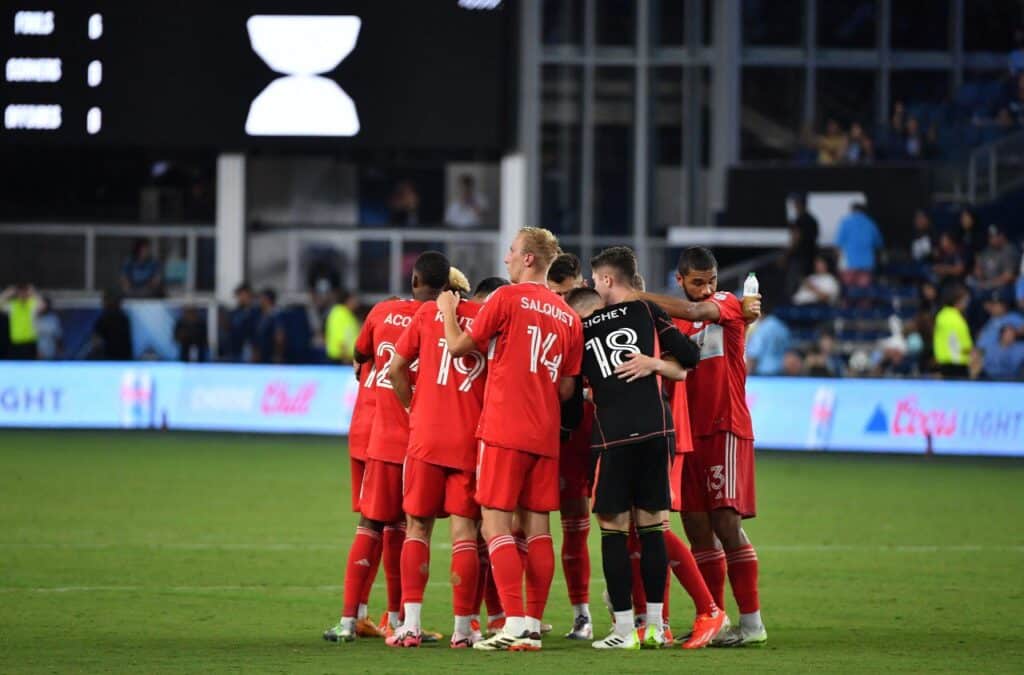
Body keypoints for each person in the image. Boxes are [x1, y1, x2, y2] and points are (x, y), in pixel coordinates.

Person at [437, 227, 582, 651]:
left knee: (494, 522)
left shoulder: (506, 298)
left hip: (504, 426)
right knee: (538, 528)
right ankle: (533, 623)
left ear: (530, 259)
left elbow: (461, 346)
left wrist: (448, 310)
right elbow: (567, 389)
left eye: (513, 252)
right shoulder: (568, 315)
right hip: (545, 432)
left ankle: (514, 622)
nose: (507, 259)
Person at [573, 248, 726, 651]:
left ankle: (624, 631)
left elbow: (571, 393)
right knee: (654, 528)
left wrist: (589, 397)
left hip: (612, 437)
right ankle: (657, 627)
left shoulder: (582, 329)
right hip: (659, 432)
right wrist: (654, 364)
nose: (592, 285)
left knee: (612, 533)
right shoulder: (647, 312)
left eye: (594, 278)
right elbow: (691, 357)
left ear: (607, 280)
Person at [637, 246, 766, 648]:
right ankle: (715, 617)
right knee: (696, 526)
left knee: (727, 523)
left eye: (711, 280)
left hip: (725, 425)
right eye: (697, 282)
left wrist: (634, 295)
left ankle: (752, 623)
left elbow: (696, 313)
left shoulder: (725, 303)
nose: (706, 288)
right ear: (680, 280)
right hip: (688, 434)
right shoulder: (670, 319)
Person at [324, 251, 451, 644]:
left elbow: (361, 358)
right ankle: (399, 619)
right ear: (446, 289)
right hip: (423, 441)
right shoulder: (447, 323)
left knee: (372, 524)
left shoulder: (382, 312)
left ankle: (350, 619)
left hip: (380, 438)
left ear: (414, 281)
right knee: (410, 529)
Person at [384, 263, 488, 648]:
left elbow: (395, 369)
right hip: (468, 441)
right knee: (465, 534)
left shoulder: (427, 314)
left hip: (425, 437)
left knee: (417, 528)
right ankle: (463, 630)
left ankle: (409, 625)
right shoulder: (486, 318)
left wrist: (413, 408)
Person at [544, 251, 594, 638]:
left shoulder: (599, 315)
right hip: (554, 431)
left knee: (622, 523)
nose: (559, 302)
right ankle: (532, 615)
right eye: (554, 294)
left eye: (565, 293)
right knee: (542, 523)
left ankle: (641, 616)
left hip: (598, 431)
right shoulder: (542, 319)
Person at [835, 203, 883, 288]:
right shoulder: (870, 223)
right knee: (864, 292)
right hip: (867, 263)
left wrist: (838, 260)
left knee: (848, 291)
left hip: (849, 263)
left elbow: (838, 244)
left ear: (852, 210)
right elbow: (878, 244)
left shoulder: (846, 222)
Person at [972, 224, 1019, 305]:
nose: (992, 239)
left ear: (1002, 236)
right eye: (990, 237)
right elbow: (979, 266)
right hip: (988, 287)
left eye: (995, 236)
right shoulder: (988, 250)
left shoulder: (1009, 250)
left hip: (1005, 288)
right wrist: (978, 271)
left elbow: (1008, 276)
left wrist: (988, 284)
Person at [784, 193, 820, 297]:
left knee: (794, 284)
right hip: (810, 258)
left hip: (799, 258)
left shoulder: (800, 220)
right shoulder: (813, 220)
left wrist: (786, 255)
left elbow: (796, 238)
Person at [933, 284, 973, 378]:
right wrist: (972, 352)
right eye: (965, 300)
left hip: (944, 362)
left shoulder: (942, 315)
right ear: (958, 300)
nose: (966, 303)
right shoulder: (955, 319)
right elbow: (961, 345)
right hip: (956, 364)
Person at [745, 306, 791, 376]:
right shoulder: (781, 326)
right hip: (781, 370)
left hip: (763, 373)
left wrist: (746, 375)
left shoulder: (762, 328)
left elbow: (754, 355)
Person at [0, 284, 42, 359]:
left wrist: (33, 292)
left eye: (25, 292)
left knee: (31, 367)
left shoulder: (31, 304)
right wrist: (7, 293)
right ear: (17, 294)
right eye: (20, 292)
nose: (22, 295)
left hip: (30, 342)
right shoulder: (13, 305)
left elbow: (42, 306)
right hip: (16, 342)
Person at [91, 290, 133, 360]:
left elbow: (96, 342)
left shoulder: (104, 319)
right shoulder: (124, 318)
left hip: (110, 359)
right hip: (124, 358)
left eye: (103, 300)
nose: (102, 303)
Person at [225, 282, 259, 362]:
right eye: (238, 295)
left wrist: (256, 351)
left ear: (249, 295)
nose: (239, 298)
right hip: (235, 349)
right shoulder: (235, 312)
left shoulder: (256, 311)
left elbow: (257, 333)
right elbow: (230, 328)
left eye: (241, 295)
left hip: (250, 349)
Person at [325, 290, 361, 364]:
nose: (357, 303)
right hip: (340, 359)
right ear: (348, 300)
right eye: (354, 300)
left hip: (348, 358)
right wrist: (345, 358)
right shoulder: (339, 314)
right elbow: (340, 338)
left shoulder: (348, 314)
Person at [252, 288, 285, 364]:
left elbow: (279, 337)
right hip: (261, 354)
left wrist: (278, 355)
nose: (259, 301)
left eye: (261, 298)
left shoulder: (276, 315)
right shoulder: (260, 314)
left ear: (267, 299)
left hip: (271, 355)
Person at [34, 296, 62, 360]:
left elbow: (57, 335)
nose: (39, 306)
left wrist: (59, 348)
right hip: (31, 350)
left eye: (42, 304)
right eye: (38, 304)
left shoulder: (52, 318)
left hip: (49, 351)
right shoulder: (32, 317)